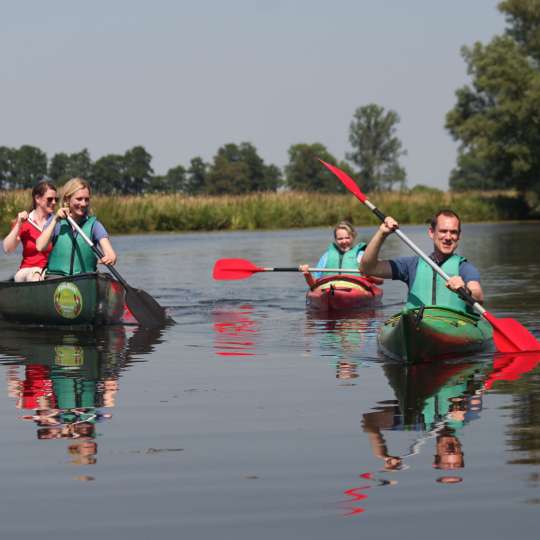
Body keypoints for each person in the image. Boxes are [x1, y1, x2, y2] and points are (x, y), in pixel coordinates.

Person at [360, 209, 484, 310]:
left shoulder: (464, 267)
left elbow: (478, 295)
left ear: (459, 236)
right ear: (431, 232)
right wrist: (382, 234)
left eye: (453, 232)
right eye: (443, 231)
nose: (448, 237)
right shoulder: (411, 265)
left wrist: (465, 291)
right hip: (418, 324)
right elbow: (368, 268)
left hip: (454, 327)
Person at [36, 177, 116, 276]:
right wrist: (55, 220)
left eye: (86, 199)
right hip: (56, 279)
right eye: (79, 199)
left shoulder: (94, 225)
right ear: (67, 199)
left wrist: (110, 257)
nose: (83, 203)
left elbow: (111, 253)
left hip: (85, 280)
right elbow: (40, 246)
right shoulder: (55, 222)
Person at [2, 177, 58, 282]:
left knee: (41, 276)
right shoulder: (25, 222)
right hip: (27, 271)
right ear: (37, 199)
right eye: (50, 199)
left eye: (56, 199)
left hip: (49, 271)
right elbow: (7, 249)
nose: (54, 202)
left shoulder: (57, 222)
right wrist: (19, 223)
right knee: (34, 276)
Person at [299, 221, 367, 286]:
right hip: (330, 289)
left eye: (347, 238)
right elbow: (313, 284)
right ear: (335, 239)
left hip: (356, 289)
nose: (344, 241)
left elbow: (376, 280)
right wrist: (307, 274)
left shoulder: (361, 256)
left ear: (353, 237)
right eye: (340, 239)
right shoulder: (326, 256)